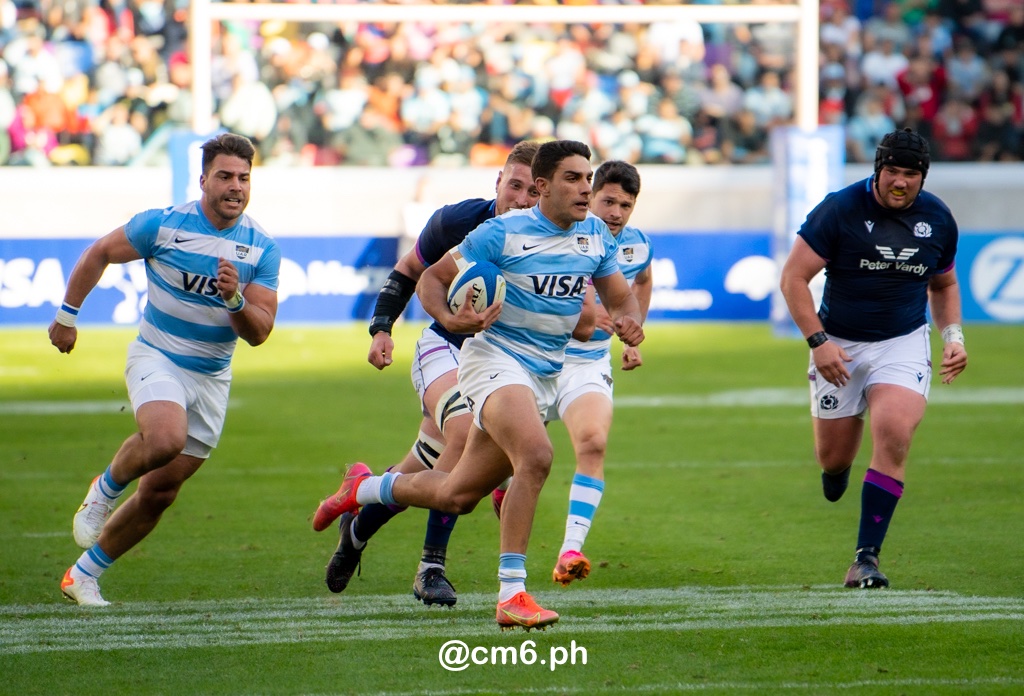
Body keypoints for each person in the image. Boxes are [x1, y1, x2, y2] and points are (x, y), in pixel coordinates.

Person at [314, 140, 645, 630]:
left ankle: (362, 489)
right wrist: (453, 317)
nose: (586, 188)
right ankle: (512, 593)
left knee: (455, 495)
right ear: (543, 186)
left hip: (543, 376)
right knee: (536, 456)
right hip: (493, 360)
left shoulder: (595, 235)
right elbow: (429, 278)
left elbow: (620, 298)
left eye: (587, 177)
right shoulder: (500, 233)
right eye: (573, 178)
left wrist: (628, 322)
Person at [50, 133, 281, 606]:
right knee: (164, 438)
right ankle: (104, 488)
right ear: (203, 180)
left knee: (160, 492)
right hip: (158, 356)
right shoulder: (162, 226)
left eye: (243, 177)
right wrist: (67, 316)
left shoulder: (261, 249)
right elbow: (99, 253)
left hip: (212, 377)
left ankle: (82, 576)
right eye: (224, 176)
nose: (235, 186)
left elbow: (258, 332)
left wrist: (235, 299)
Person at [315, 141, 540, 607]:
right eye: (513, 185)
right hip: (445, 347)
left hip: (500, 361)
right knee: (463, 434)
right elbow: (409, 272)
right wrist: (381, 329)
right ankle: (430, 568)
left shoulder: (548, 239)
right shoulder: (457, 223)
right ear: (497, 182)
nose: (520, 198)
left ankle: (356, 527)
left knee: (424, 469)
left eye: (531, 191)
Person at [779, 128, 967, 589]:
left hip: (902, 341)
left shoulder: (938, 218)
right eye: (892, 172)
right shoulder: (839, 209)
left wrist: (954, 336)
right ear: (877, 170)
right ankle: (836, 472)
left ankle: (865, 558)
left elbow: (943, 285)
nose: (900, 183)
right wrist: (818, 341)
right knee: (833, 456)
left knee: (895, 431)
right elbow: (793, 278)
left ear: (923, 177)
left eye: (911, 174)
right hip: (838, 344)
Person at [547, 160, 653, 587]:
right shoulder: (557, 235)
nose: (616, 213)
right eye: (608, 201)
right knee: (482, 471)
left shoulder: (637, 245)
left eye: (625, 205)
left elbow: (642, 280)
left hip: (588, 363)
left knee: (593, 442)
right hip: (533, 358)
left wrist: (633, 332)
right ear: (590, 196)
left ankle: (570, 548)